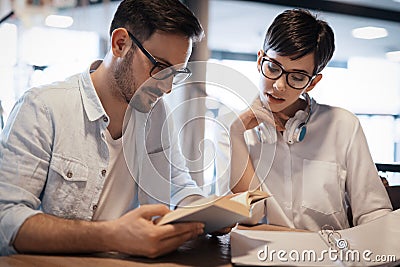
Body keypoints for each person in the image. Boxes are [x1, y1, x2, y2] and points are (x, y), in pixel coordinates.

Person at [0, 0, 208, 257]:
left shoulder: (157, 115)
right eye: (160, 68)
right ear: (120, 44)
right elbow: (7, 221)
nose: (167, 89)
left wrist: (209, 212)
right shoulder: (42, 107)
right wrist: (112, 236)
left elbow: (178, 184)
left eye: (176, 74)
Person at [216, 9, 392, 232]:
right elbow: (241, 216)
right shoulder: (231, 128)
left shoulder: (343, 125)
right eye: (272, 67)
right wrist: (236, 135)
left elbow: (373, 211)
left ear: (312, 82)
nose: (279, 85)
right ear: (260, 59)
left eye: (297, 77)